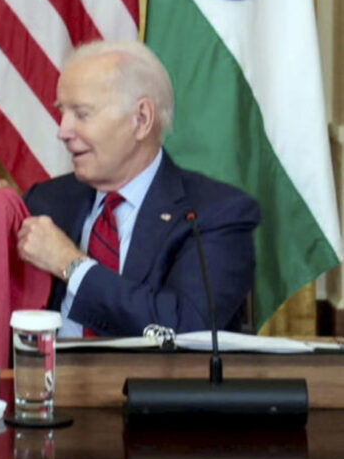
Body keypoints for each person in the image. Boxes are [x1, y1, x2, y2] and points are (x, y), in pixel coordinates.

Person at [18, 40, 260, 337]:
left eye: (82, 114)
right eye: (62, 113)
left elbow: (186, 329)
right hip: (48, 382)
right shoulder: (45, 202)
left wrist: (71, 264)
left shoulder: (216, 213)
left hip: (153, 383)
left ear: (142, 119)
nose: (63, 131)